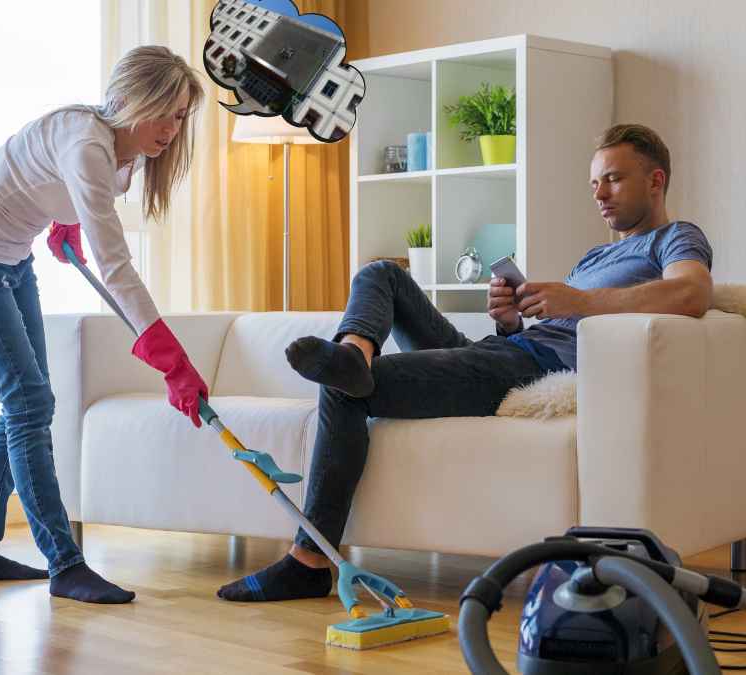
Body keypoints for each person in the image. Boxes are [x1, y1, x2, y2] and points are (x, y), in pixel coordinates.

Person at [216, 123, 715, 602]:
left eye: (613, 178)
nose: (600, 193)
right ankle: (355, 351)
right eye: (594, 182)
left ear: (655, 181)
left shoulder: (675, 238)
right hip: (503, 351)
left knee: (345, 387)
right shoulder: (593, 258)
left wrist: (576, 302)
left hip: (525, 371)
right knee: (381, 274)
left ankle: (308, 562)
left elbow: (692, 293)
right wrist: (511, 318)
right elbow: (560, 326)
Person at [0, 46, 209, 604]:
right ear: (128, 99)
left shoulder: (125, 156)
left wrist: (63, 222)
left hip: (10, 256)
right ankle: (65, 564)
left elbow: (47, 182)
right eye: (164, 111)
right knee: (29, 403)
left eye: (180, 116)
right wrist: (172, 362)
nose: (172, 129)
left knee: (25, 402)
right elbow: (117, 265)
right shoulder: (87, 142)